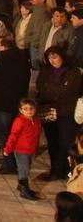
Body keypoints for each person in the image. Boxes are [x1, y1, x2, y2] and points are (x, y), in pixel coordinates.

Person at [38, 45, 82, 181]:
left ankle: (65, 170)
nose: (52, 60)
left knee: (65, 143)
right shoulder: (45, 71)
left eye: (55, 57)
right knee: (52, 142)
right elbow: (41, 87)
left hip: (66, 114)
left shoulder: (73, 72)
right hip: (49, 111)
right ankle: (55, 170)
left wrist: (51, 90)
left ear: (62, 57)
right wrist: (58, 90)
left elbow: (69, 91)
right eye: (49, 58)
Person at [2, 98, 44, 200]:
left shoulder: (37, 121)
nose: (29, 111)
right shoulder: (19, 121)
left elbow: (37, 136)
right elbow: (13, 136)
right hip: (21, 151)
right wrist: (8, 149)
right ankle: (24, 190)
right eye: (25, 109)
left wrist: (36, 148)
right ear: (21, 110)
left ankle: (22, 186)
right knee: (23, 169)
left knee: (27, 168)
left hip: (31, 150)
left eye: (31, 108)